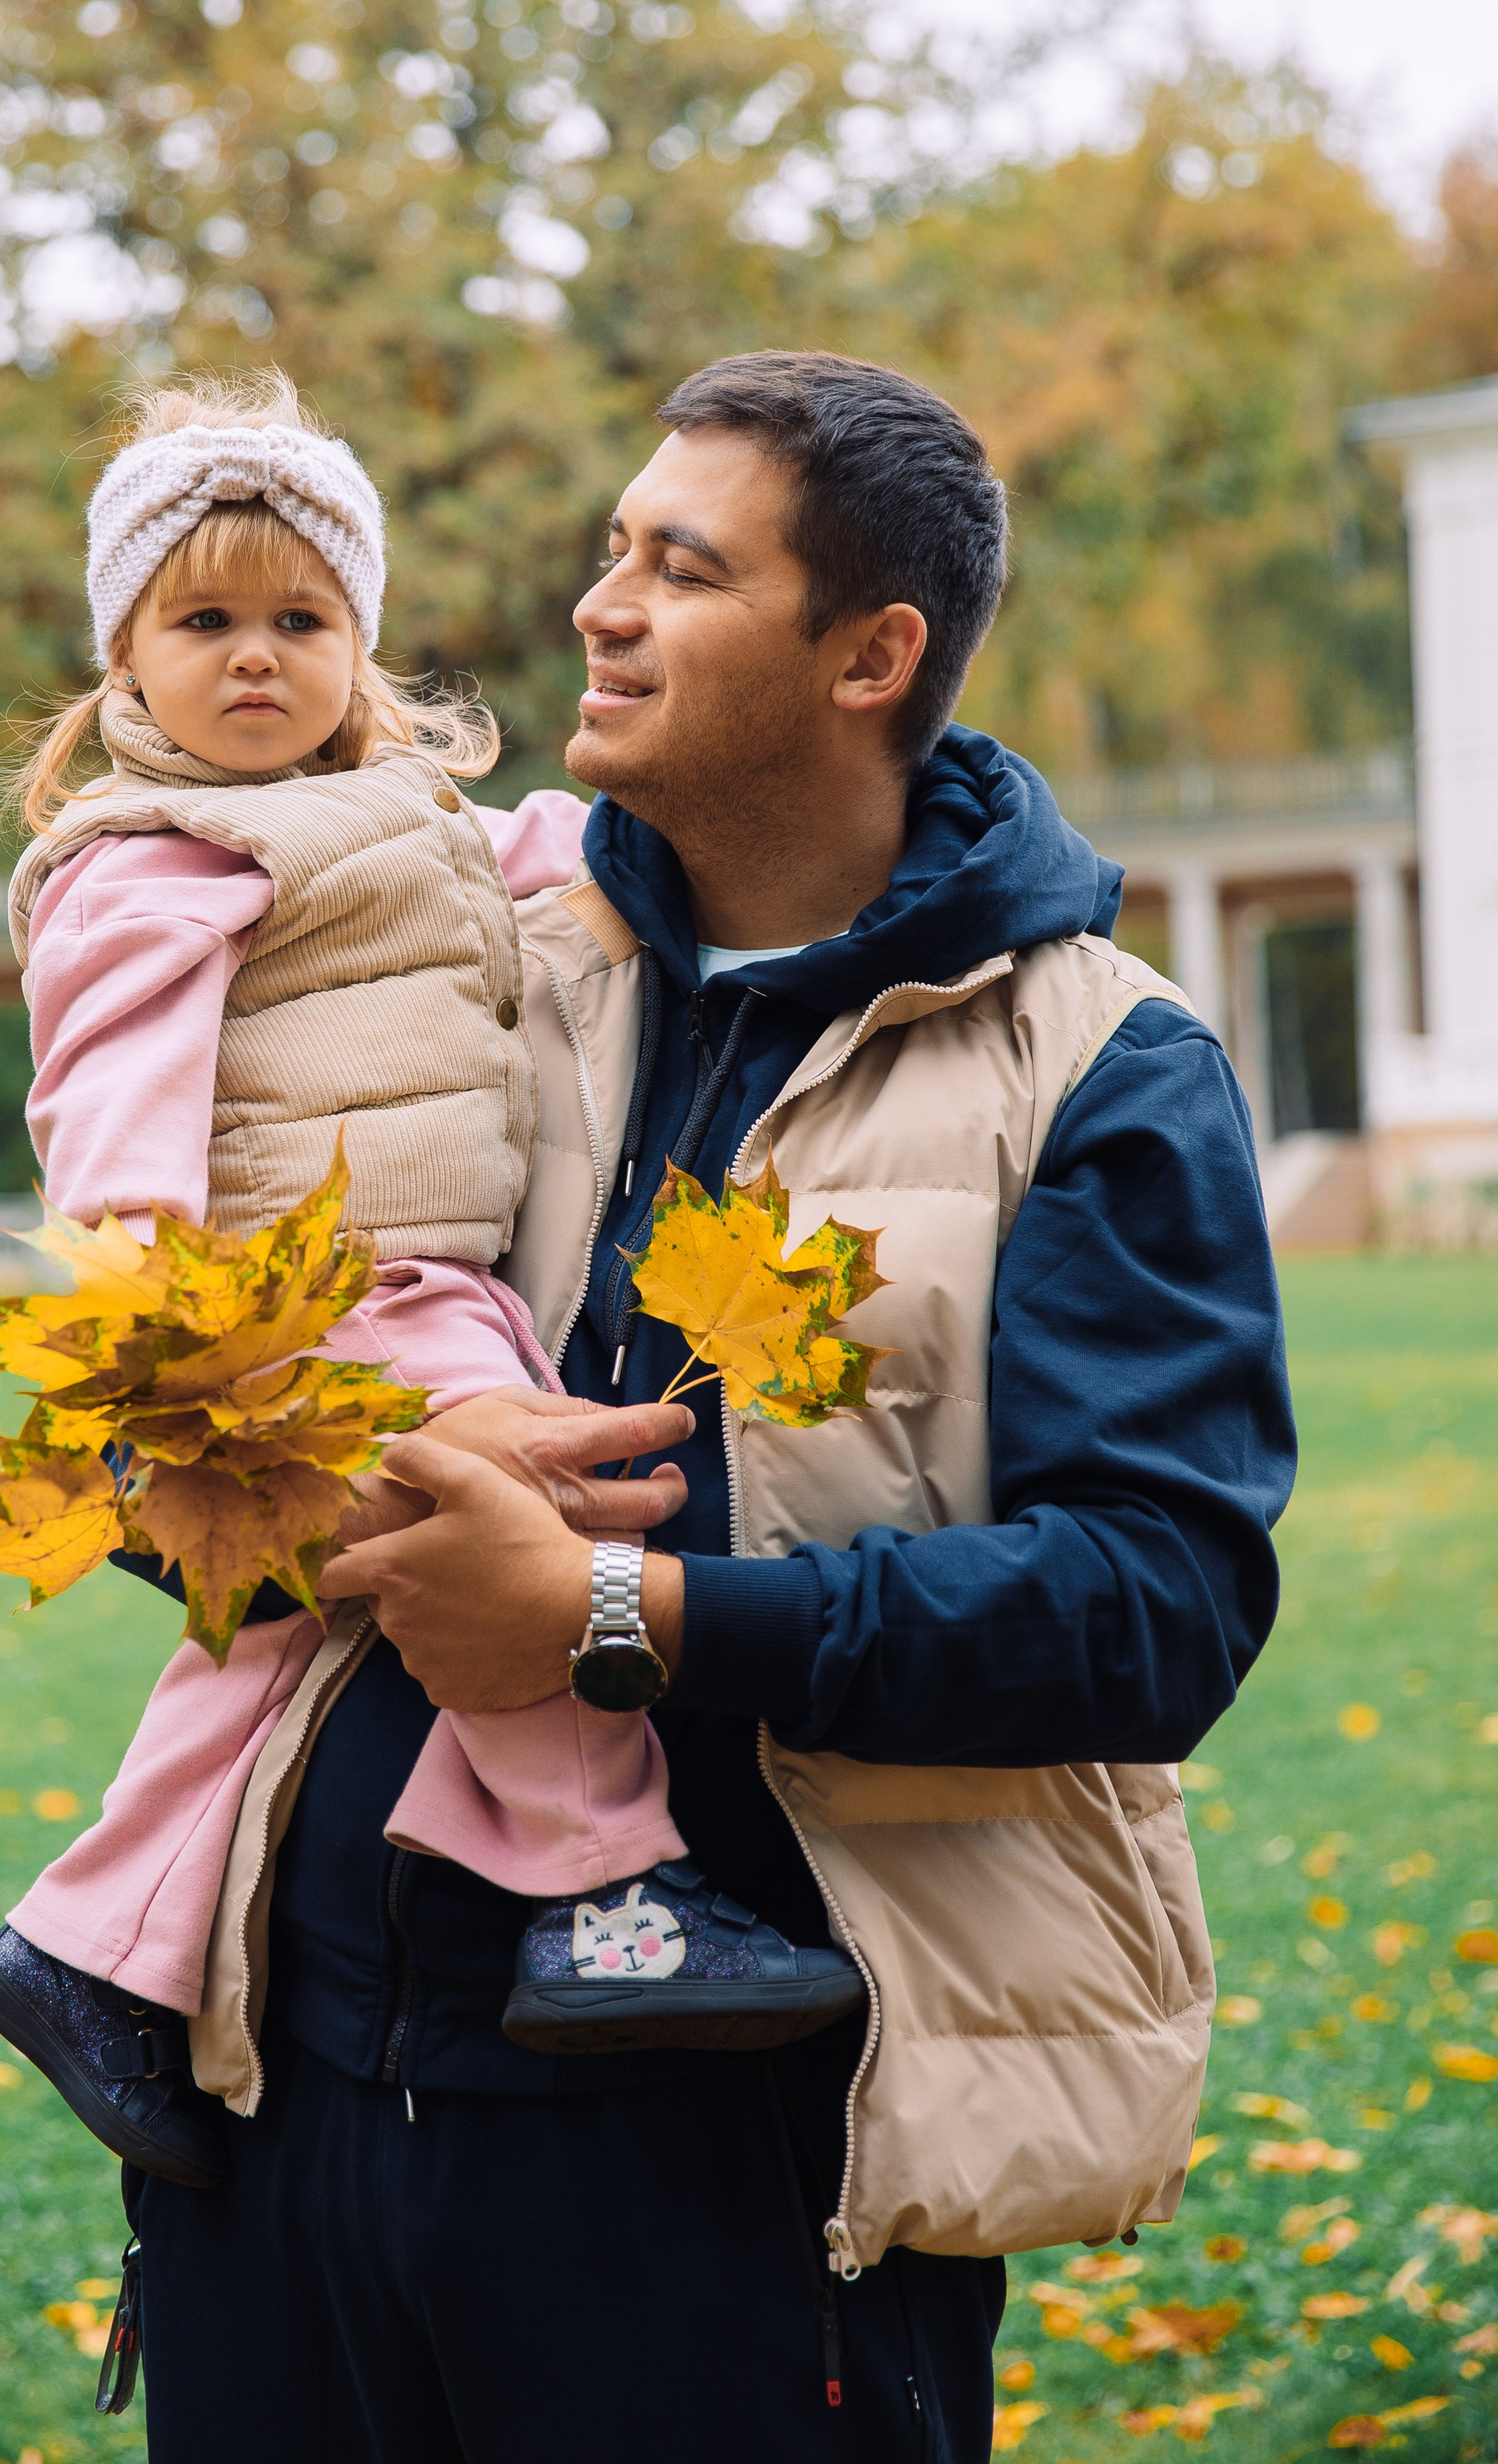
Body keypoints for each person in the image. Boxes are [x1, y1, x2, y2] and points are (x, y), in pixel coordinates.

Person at [126, 350, 1298, 2462]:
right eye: (610, 549)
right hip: (278, 2102)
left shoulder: (1098, 1069)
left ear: (870, 653)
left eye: (681, 566)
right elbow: (149, 1432)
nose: (602, 605)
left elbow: (1157, 1608)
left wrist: (621, 1618)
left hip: (745, 2158)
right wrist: (330, 1465)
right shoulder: (456, 959)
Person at [0, 376, 862, 2192]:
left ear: (355, 636)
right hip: (307, 1292)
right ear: (124, 658)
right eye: (202, 622)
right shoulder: (153, 864)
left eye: (300, 620)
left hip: (428, 1275)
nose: (256, 660)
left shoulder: (409, 819)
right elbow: (109, 1124)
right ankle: (598, 1895)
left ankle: (83, 1949)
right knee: (526, 1529)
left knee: (300, 1618)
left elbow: (572, 873)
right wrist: (176, 1354)